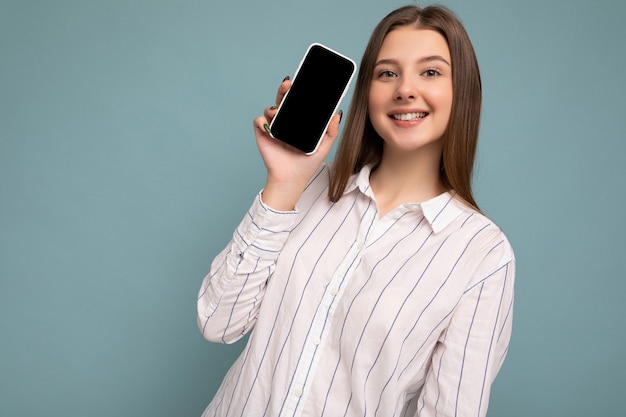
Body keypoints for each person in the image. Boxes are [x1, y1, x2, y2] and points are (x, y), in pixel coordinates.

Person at [197, 4, 515, 417]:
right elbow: (218, 322)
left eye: (430, 72)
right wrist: (282, 183)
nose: (405, 89)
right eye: (387, 73)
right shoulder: (307, 187)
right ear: (367, 91)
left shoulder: (483, 255)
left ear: (462, 92)